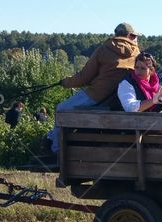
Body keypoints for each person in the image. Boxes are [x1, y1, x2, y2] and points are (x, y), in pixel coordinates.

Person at [45, 22, 141, 154]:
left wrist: (65, 82)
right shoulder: (137, 54)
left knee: (61, 109)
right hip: (119, 100)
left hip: (97, 94)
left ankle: (55, 150)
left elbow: (84, 77)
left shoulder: (103, 49)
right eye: (135, 36)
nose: (136, 39)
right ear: (130, 36)